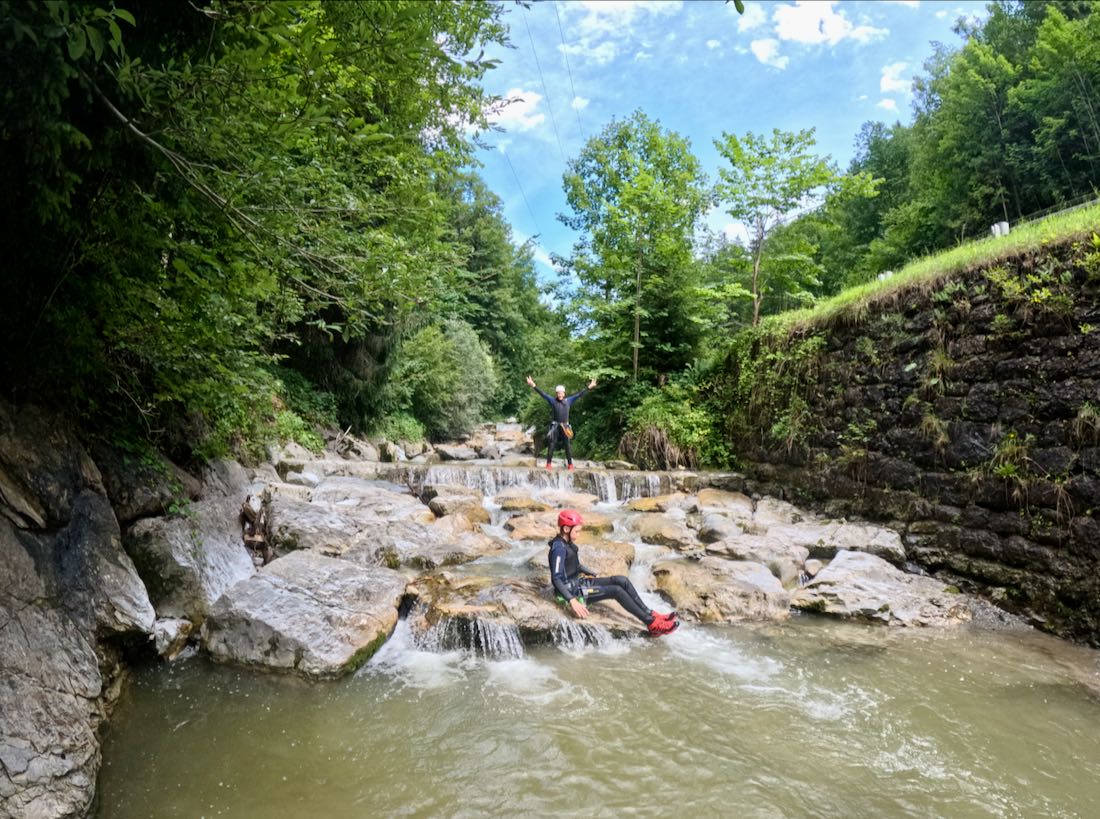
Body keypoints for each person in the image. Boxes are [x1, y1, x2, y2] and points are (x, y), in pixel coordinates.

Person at [548, 509, 678, 636]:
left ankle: (651, 613)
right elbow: (556, 578)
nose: (579, 534)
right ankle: (651, 623)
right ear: (566, 529)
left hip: (580, 583)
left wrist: (592, 573)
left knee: (622, 580)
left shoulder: (568, 543)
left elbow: (575, 566)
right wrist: (572, 600)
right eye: (577, 531)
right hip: (573, 592)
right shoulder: (558, 548)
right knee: (616, 591)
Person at [526, 374, 596, 470]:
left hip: (565, 426)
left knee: (567, 445)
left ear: (564, 393)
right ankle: (548, 464)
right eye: (558, 393)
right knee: (551, 445)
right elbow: (543, 394)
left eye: (561, 393)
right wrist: (533, 385)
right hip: (555, 426)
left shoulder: (569, 401)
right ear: (556, 393)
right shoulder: (552, 401)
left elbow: (580, 394)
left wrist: (589, 387)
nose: (560, 394)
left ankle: (570, 464)